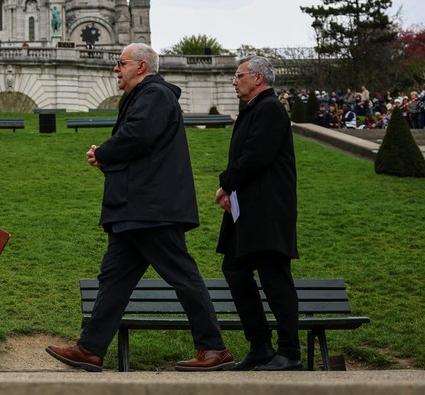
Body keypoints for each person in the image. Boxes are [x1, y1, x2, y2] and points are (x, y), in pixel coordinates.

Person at [46, 43, 233, 372]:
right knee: (113, 280)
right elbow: (142, 146)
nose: (116, 70)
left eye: (121, 63)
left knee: (183, 276)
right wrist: (110, 160)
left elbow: (138, 136)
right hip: (135, 209)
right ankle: (90, 348)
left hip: (150, 210)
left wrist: (103, 152)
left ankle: (213, 347)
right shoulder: (147, 95)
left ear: (142, 66)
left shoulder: (154, 94)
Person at [214, 56, 302, 371]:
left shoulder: (269, 108)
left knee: (275, 278)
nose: (234, 80)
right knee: (235, 271)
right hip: (247, 210)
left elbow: (256, 156)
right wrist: (232, 190)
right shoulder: (255, 108)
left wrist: (226, 185)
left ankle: (290, 352)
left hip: (267, 211)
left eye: (239, 75)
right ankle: (261, 345)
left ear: (259, 77)